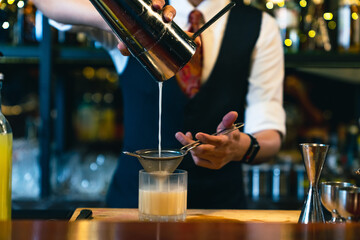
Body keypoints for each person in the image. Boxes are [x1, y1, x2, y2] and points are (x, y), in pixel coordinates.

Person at [32, 0, 286, 209]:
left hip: (218, 213)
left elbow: (270, 132)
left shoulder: (260, 26)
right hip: (131, 210)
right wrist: (126, 21)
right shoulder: (142, 6)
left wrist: (240, 148)